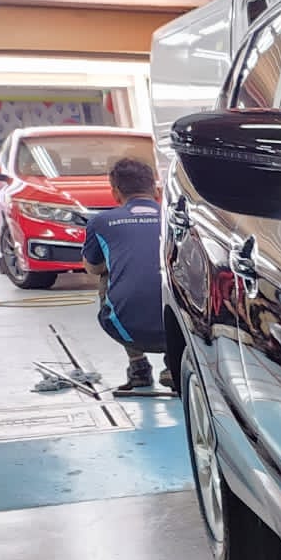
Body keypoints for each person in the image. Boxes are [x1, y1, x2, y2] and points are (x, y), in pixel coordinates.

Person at [82, 157, 169, 396]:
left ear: (115, 193)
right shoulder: (176, 219)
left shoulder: (101, 221)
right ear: (156, 190)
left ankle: (138, 367)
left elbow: (92, 268)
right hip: (180, 330)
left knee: (110, 274)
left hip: (126, 329)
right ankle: (175, 362)